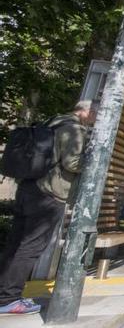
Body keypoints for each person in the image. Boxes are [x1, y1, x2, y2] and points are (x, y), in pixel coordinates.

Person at [0, 100, 96, 316]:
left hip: (28, 187)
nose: (95, 119)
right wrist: (94, 163)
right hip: (49, 193)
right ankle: (9, 298)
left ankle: (4, 293)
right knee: (31, 247)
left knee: (15, 243)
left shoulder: (51, 122)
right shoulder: (73, 128)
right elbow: (72, 163)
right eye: (95, 114)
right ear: (86, 111)